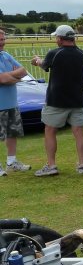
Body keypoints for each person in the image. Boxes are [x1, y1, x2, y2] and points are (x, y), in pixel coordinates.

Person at [30, 25, 83, 176]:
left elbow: (44, 65)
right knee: (79, 131)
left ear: (60, 39)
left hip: (57, 100)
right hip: (79, 99)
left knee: (50, 130)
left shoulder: (54, 53)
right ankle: (82, 165)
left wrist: (37, 60)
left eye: (56, 37)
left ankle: (51, 166)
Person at [0, 29, 32, 176]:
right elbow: (2, 80)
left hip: (11, 103)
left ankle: (11, 162)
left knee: (12, 133)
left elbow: (23, 71)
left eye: (3, 39)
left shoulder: (6, 55)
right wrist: (13, 77)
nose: (3, 42)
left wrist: (10, 76)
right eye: (0, 39)